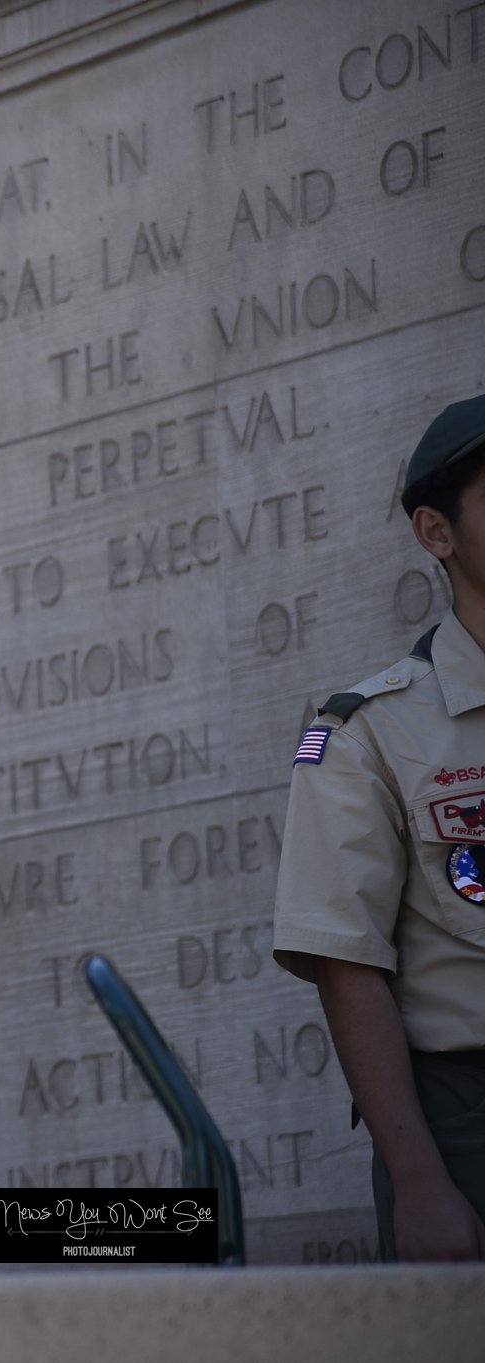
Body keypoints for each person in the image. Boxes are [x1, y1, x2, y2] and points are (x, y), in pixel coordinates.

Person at [273, 395, 485, 1263]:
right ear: (436, 533)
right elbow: (345, 959)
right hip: (468, 1116)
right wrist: (420, 1179)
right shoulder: (369, 732)